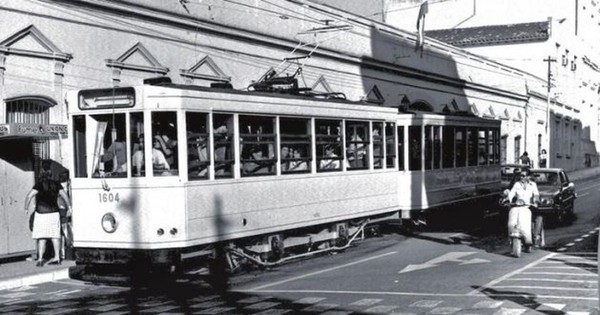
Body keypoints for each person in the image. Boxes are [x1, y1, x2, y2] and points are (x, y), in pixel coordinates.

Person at [24, 162, 72, 267]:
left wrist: (26, 207)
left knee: (42, 236)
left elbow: (29, 196)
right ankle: (57, 258)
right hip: (54, 212)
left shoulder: (39, 184)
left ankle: (40, 259)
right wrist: (69, 207)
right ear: (50, 173)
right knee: (54, 235)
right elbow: (65, 196)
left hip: (41, 213)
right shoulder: (56, 184)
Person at [505, 169, 540, 252]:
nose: (522, 177)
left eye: (524, 176)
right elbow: (512, 193)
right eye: (521, 175)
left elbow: (536, 194)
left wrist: (535, 202)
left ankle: (531, 240)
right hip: (517, 206)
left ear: (528, 177)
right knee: (513, 220)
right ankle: (511, 236)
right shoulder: (517, 184)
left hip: (528, 207)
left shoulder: (533, 185)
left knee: (531, 222)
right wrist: (507, 199)